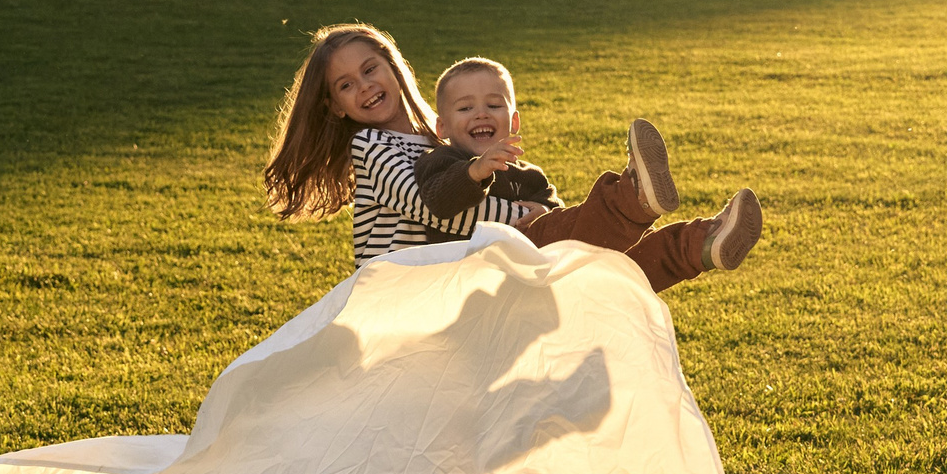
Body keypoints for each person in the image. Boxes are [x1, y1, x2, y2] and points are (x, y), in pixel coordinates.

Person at [414, 56, 762, 289]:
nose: (481, 114)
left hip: (544, 280)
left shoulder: (530, 175)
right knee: (562, 231)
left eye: (494, 105)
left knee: (617, 267)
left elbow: (569, 223)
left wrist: (544, 211)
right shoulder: (440, 160)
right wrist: (475, 171)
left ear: (514, 121)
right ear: (441, 126)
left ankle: (701, 246)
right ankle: (633, 198)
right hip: (479, 279)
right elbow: (438, 201)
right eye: (465, 108)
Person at [262, 23, 526, 262]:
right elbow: (434, 210)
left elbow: (478, 189)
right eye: (346, 85)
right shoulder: (370, 147)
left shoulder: (439, 133)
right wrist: (524, 217)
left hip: (438, 287)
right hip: (392, 293)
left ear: (393, 67)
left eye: (369, 69)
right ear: (336, 107)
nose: (364, 86)